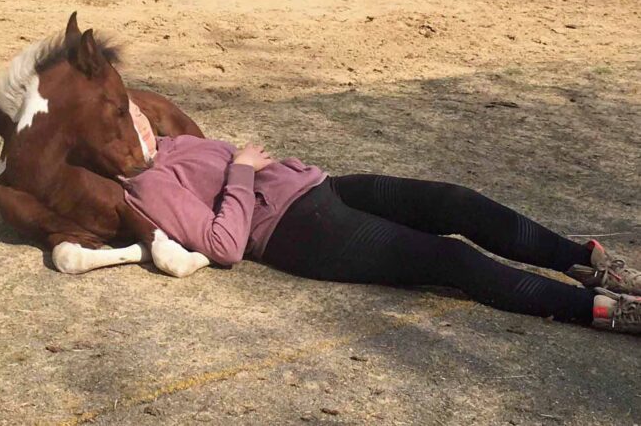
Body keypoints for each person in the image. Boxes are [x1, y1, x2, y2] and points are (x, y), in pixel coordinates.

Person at [122, 103, 641, 335]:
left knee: (454, 201)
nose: (139, 124)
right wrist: (239, 168)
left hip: (323, 187)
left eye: (136, 111)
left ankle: (589, 263)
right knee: (450, 258)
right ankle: (598, 310)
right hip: (296, 232)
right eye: (126, 121)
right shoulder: (146, 183)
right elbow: (224, 244)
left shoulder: (176, 142)